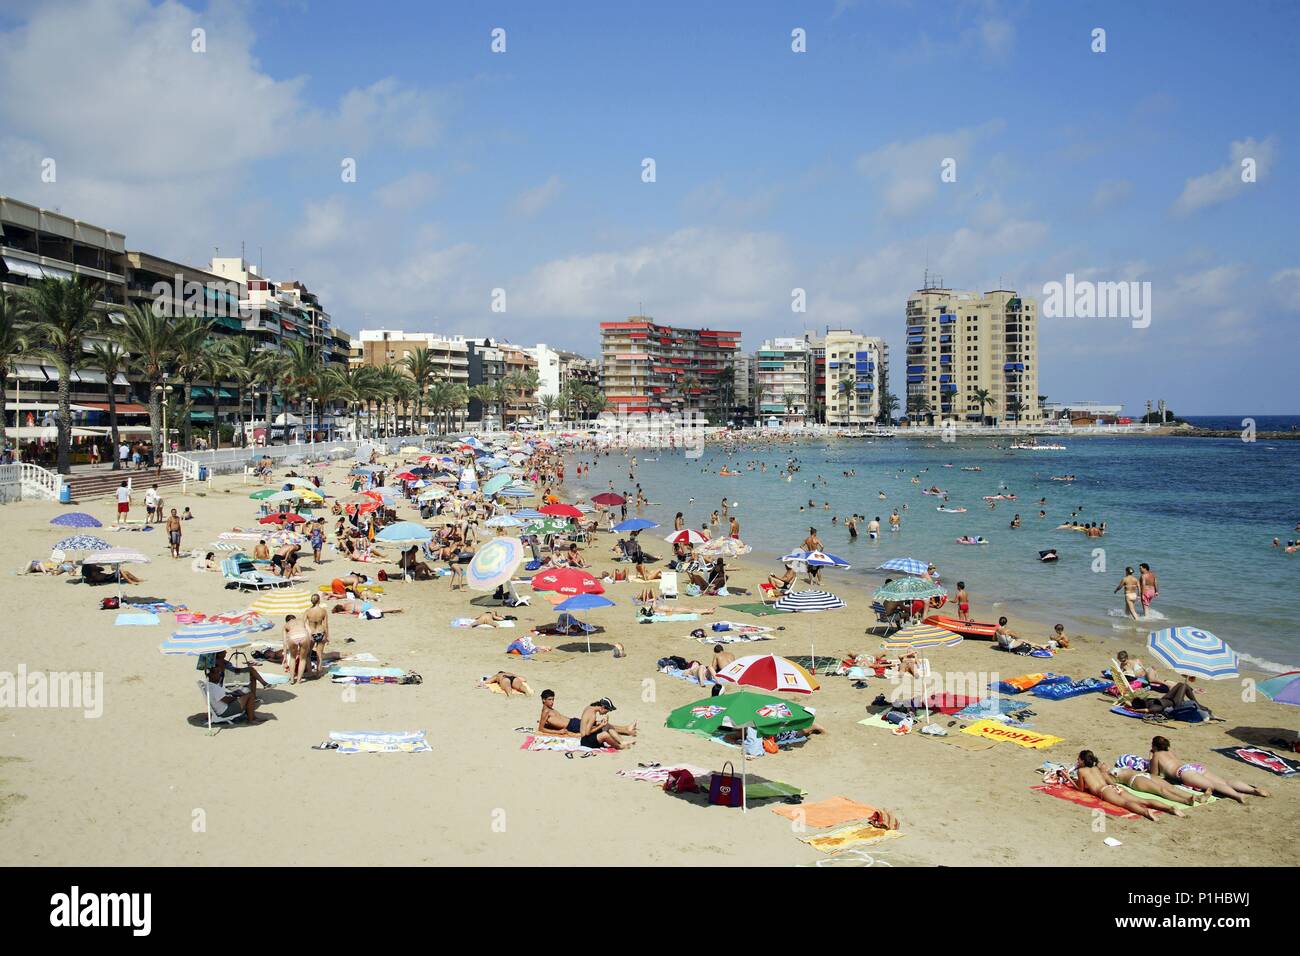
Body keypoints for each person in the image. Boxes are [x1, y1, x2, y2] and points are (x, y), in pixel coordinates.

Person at [1148, 736, 1269, 802]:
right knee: (1224, 781)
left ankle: (1238, 796)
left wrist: (1151, 757)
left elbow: (1154, 775)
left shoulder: (1157, 755)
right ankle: (1253, 790)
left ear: (1154, 746)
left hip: (1184, 772)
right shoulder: (1170, 752)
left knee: (1213, 785)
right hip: (1194, 767)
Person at [1075, 750, 1178, 820]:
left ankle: (1145, 812)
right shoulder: (1096, 769)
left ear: (1083, 761)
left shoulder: (1081, 771)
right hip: (1113, 787)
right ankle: (1169, 808)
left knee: (1125, 803)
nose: (1077, 761)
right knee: (1142, 800)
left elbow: (1080, 789)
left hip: (1105, 791)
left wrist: (1067, 778)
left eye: (1078, 759)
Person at [203, 654, 264, 723]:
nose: (219, 674)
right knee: (250, 695)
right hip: (225, 711)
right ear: (210, 674)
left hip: (220, 708)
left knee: (243, 695)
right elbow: (226, 700)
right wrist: (236, 699)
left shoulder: (209, 684)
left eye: (219, 672)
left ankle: (252, 717)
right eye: (217, 673)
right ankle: (251, 719)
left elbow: (221, 698)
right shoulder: (214, 687)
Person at [282, 614, 313, 683]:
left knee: (293, 658)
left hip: (292, 637)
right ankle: (299, 680)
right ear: (295, 618)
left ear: (287, 621)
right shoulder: (302, 621)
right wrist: (308, 646)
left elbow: (284, 643)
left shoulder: (286, 625)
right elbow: (310, 632)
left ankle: (292, 679)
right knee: (303, 659)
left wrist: (285, 657)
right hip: (304, 635)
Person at [305, 593, 330, 674]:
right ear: (319, 600)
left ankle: (310, 672)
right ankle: (318, 672)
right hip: (320, 632)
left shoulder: (307, 611)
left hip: (311, 634)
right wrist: (327, 636)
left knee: (308, 654)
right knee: (319, 654)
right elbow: (325, 625)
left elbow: (303, 623)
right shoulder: (323, 611)